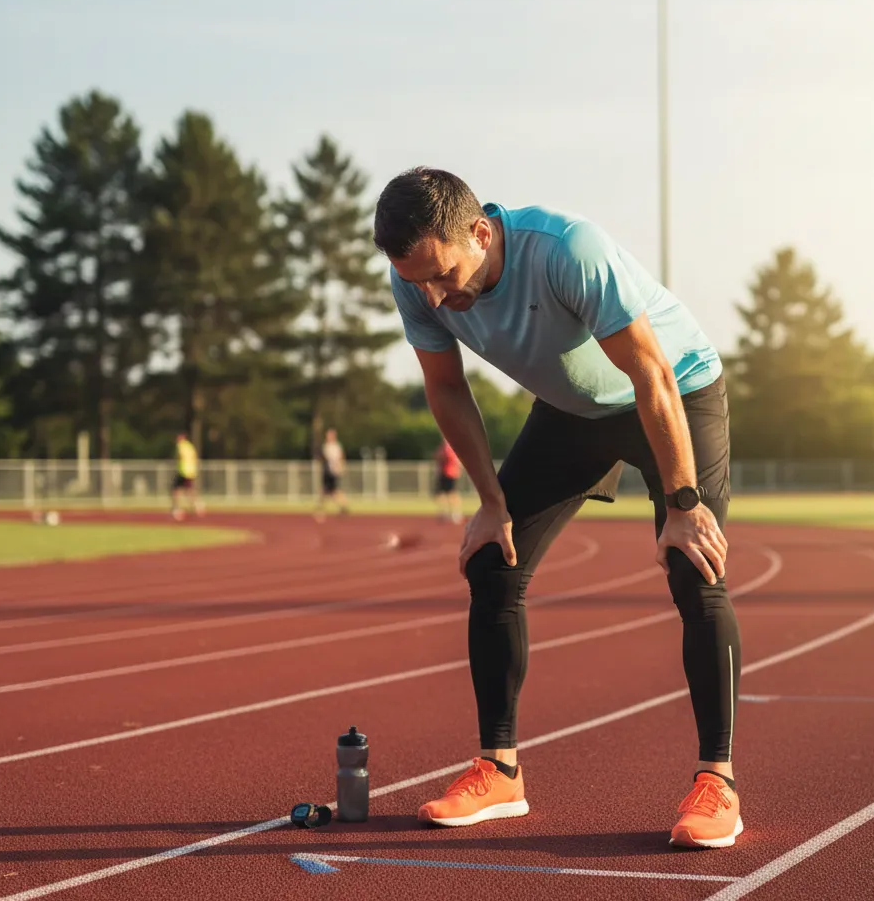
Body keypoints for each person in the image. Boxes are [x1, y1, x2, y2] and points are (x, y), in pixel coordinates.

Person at [374, 168, 738, 849]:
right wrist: (489, 501)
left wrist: (684, 504)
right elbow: (446, 389)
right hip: (573, 413)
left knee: (695, 566)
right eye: (416, 280)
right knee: (492, 562)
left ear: (481, 233)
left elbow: (650, 373)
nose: (434, 296)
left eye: (444, 275)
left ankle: (718, 781)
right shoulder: (414, 279)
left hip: (674, 392)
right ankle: (500, 769)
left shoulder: (568, 250)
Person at [315, 428, 349, 519]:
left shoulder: (335, 446)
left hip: (332, 471)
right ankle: (342, 506)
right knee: (329, 491)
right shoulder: (326, 446)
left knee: (330, 490)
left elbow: (340, 457)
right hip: (327, 471)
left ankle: (321, 509)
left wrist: (340, 466)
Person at [170, 432, 203, 520]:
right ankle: (197, 505)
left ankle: (177, 509)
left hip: (183, 471)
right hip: (191, 471)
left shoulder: (181, 445)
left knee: (175, 489)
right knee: (189, 490)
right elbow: (195, 457)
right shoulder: (190, 446)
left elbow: (180, 456)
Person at [434, 437, 464, 523]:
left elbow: (446, 458)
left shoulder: (449, 448)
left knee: (451, 494)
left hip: (449, 473)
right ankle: (445, 513)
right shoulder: (445, 448)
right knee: (443, 494)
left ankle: (454, 513)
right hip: (446, 473)